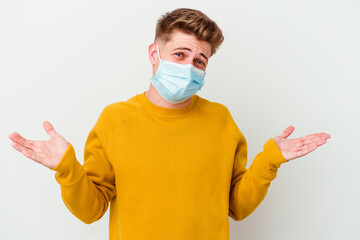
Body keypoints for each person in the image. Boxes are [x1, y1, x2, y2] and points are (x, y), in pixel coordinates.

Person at [8, 8, 330, 240]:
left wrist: (269, 160)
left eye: (199, 60)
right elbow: (91, 210)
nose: (190, 67)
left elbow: (237, 207)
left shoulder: (220, 120)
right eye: (180, 54)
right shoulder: (115, 119)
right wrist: (67, 168)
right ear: (154, 53)